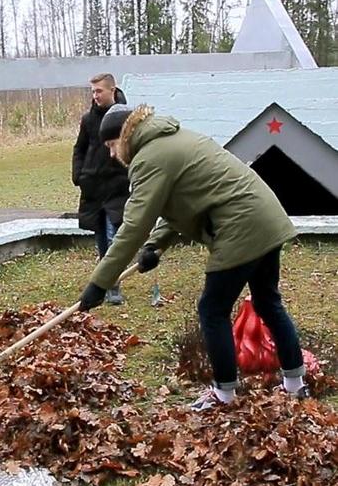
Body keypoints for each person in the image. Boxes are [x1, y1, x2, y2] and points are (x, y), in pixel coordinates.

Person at [78, 103, 309, 411]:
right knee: (268, 301)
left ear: (124, 136)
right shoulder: (177, 139)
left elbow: (133, 225)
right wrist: (155, 247)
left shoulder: (150, 158)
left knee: (212, 310)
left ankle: (223, 394)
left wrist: (100, 282)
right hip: (265, 217)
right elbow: (185, 200)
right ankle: (295, 384)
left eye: (110, 145)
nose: (111, 154)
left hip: (239, 227)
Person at [71, 73, 130, 305]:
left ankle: (113, 285)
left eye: (99, 91)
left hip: (117, 187)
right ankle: (104, 282)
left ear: (112, 91)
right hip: (93, 188)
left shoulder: (126, 117)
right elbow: (79, 149)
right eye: (92, 91)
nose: (95, 96)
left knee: (113, 236)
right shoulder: (88, 120)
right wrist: (79, 175)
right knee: (101, 239)